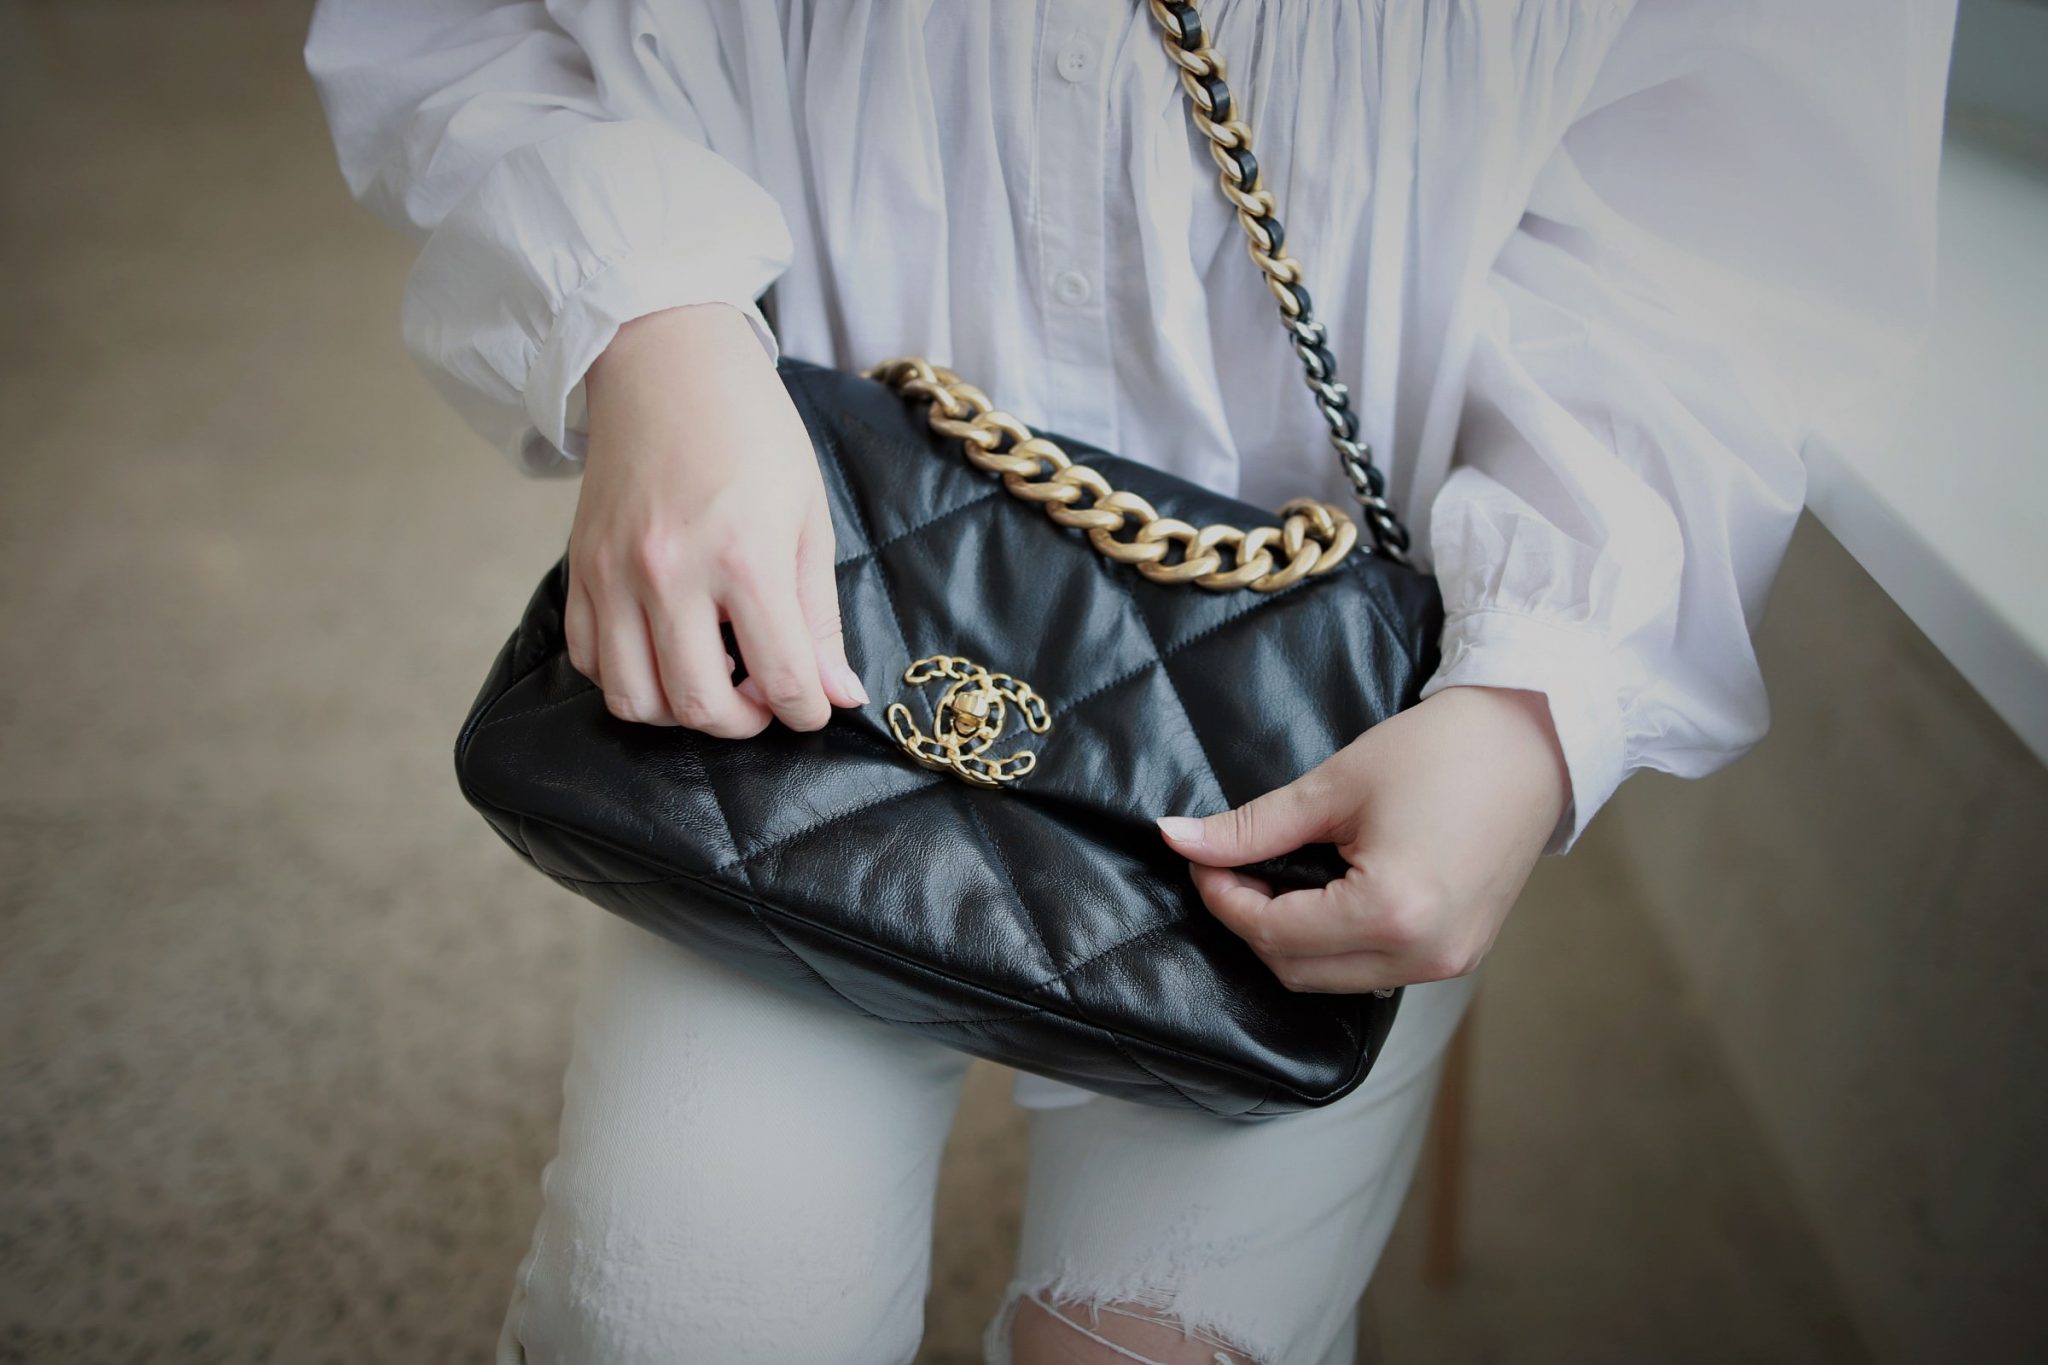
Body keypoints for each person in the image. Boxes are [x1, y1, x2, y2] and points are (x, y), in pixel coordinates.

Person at [306, 3, 1952, 1361]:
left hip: (1326, 762)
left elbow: (1728, 242)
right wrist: (648, 322)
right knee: (676, 1319)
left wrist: (1535, 705)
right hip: (803, 640)